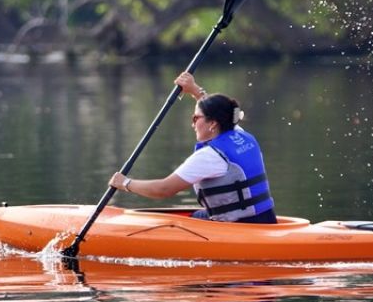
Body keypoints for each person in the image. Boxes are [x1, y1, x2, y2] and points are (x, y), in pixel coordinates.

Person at [109, 72, 277, 224]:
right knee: (196, 216)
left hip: (240, 228)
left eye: (195, 118)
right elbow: (219, 110)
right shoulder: (241, 135)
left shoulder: (210, 156)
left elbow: (164, 189)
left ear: (212, 124)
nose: (192, 124)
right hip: (266, 219)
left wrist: (125, 183)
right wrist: (195, 91)